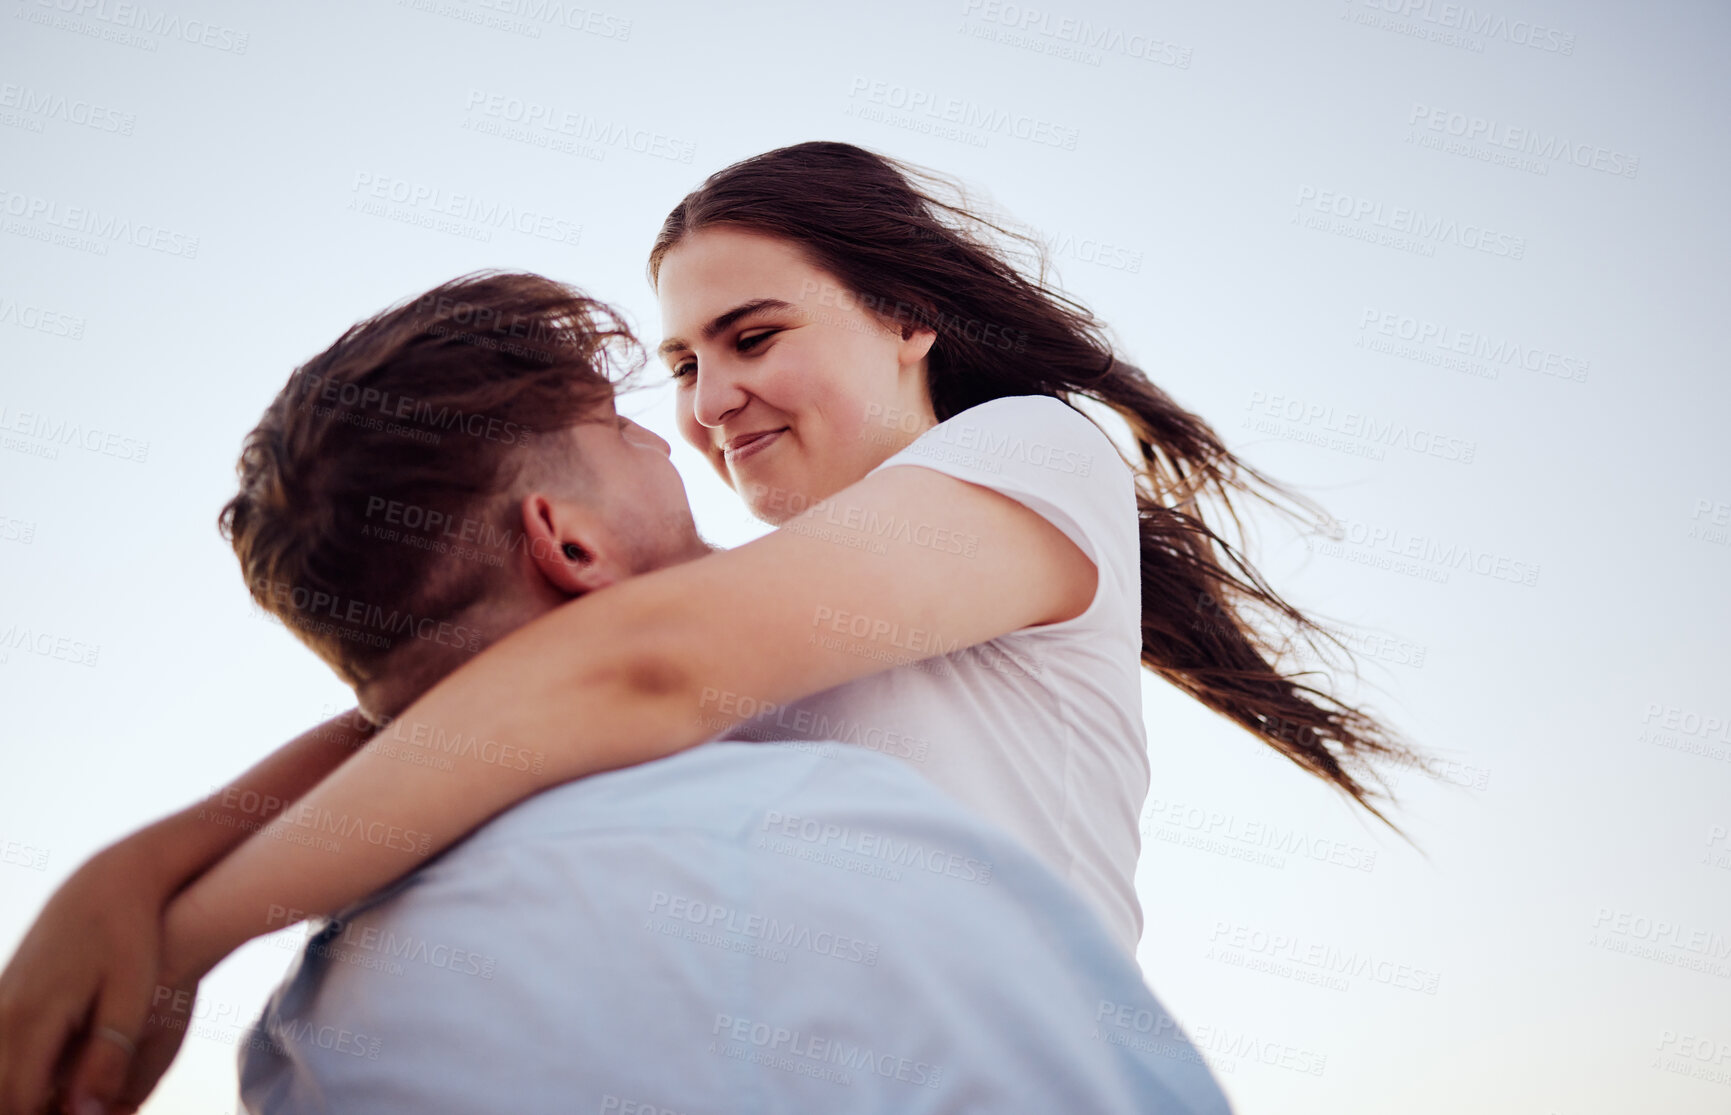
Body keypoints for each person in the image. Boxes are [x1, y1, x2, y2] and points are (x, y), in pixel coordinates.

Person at [0, 142, 1420, 1114]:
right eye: (678, 364)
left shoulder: (1030, 455)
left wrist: (188, 930)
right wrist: (140, 867)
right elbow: (468, 704)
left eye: (752, 336)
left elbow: (638, 665)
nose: (704, 403)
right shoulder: (729, 608)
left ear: (909, 316)